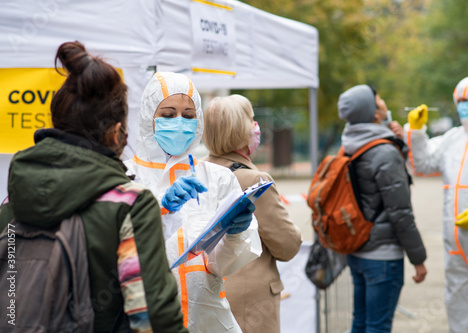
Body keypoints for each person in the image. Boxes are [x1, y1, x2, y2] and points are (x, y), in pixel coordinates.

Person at [0, 41, 186, 332]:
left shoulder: (12, 202)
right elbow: (154, 319)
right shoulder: (130, 206)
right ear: (115, 133)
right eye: (125, 131)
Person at [124, 72, 262, 333]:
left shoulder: (217, 178)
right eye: (167, 114)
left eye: (188, 116)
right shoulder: (126, 176)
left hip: (207, 318)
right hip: (147, 319)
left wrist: (235, 235)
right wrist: (159, 210)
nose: (179, 122)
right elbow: (117, 250)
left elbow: (220, 266)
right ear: (147, 117)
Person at [404, 75, 468, 333]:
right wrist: (416, 132)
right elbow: (421, 165)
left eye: (467, 101)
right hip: (455, 242)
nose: (462, 106)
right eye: (458, 101)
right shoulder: (453, 138)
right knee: (458, 305)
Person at [202, 94, 303, 333]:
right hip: (249, 303)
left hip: (207, 293)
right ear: (240, 130)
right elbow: (287, 245)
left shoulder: (197, 172)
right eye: (252, 120)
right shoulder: (255, 181)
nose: (255, 127)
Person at [337, 84, 427, 333]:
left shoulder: (348, 144)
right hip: (383, 257)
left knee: (361, 323)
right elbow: (400, 212)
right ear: (374, 112)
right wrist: (418, 259)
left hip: (357, 251)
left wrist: (393, 138)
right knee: (378, 327)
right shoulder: (384, 152)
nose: (384, 103)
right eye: (379, 99)